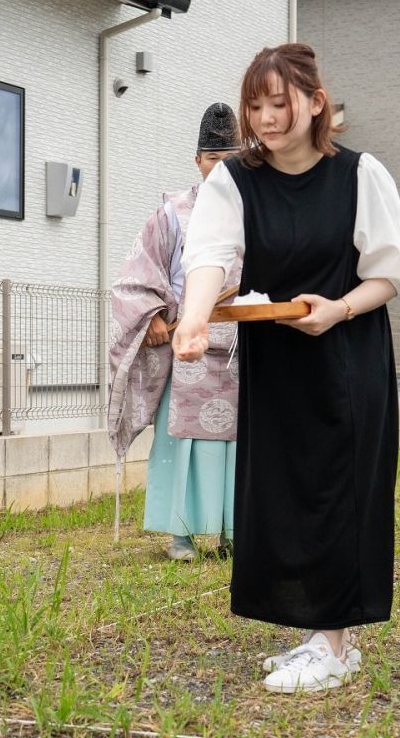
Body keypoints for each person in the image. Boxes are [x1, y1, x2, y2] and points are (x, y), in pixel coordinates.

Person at [173, 44, 400, 693]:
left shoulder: (360, 175)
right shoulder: (236, 178)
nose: (266, 118)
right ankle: (322, 635)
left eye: (278, 103)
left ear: (315, 102)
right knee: (284, 490)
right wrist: (195, 320)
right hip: (277, 360)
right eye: (256, 105)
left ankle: (335, 644)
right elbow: (212, 256)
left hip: (346, 352)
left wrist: (337, 308)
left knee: (339, 488)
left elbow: (391, 274)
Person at [107, 103, 242, 561]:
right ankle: (181, 534)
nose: (221, 169)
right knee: (183, 439)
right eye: (213, 159)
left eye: (231, 160)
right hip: (189, 342)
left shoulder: (257, 210)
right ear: (198, 160)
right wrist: (153, 318)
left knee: (244, 441)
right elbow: (136, 273)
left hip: (244, 343)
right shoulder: (171, 214)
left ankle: (234, 531)